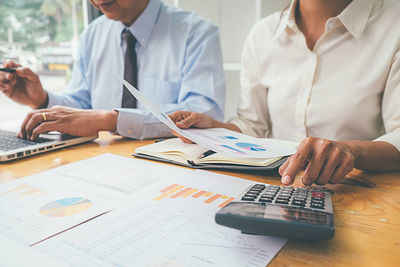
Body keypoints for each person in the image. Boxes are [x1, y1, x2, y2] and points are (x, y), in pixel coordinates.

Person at [169, 0, 400, 186]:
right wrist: (215, 130)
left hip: (359, 194)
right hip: (277, 187)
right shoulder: (263, 33)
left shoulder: (393, 26)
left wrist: (352, 151)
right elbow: (253, 124)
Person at [0, 0, 225, 140]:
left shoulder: (197, 34)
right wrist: (43, 99)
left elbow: (203, 115)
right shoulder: (93, 34)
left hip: (172, 168)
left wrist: (111, 120)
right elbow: (82, 105)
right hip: (103, 162)